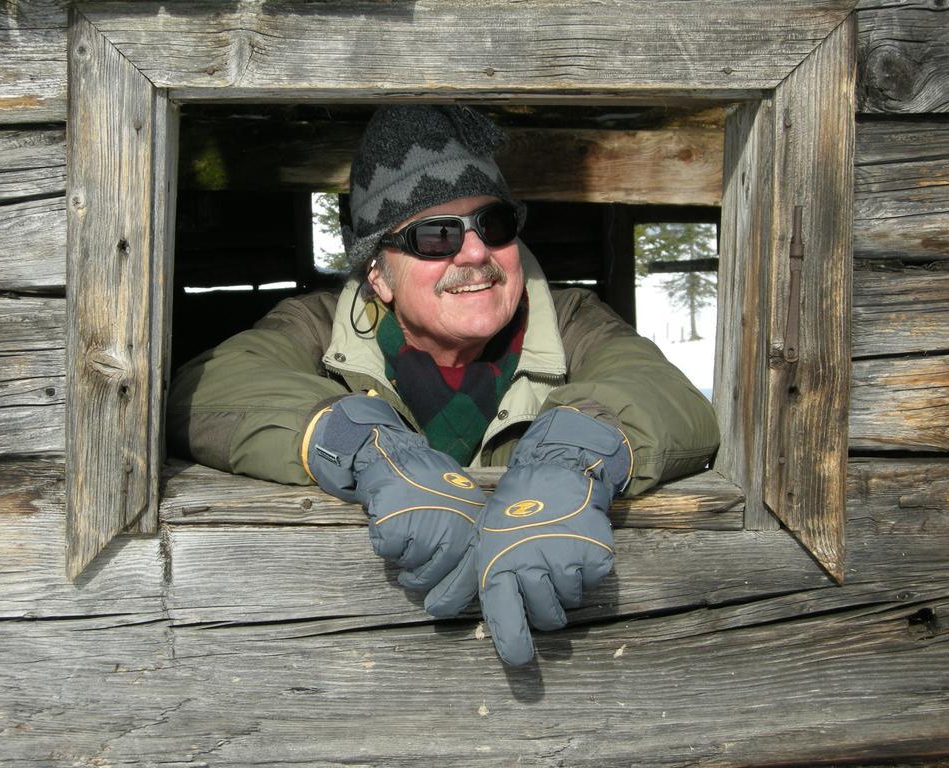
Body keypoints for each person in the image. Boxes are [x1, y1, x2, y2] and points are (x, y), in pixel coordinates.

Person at [167, 105, 720, 666]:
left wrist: (573, 454)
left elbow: (663, 391)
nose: (476, 253)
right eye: (435, 236)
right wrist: (363, 443)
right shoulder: (315, 325)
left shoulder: (573, 316)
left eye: (494, 225)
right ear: (377, 273)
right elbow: (207, 387)